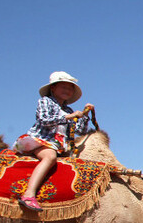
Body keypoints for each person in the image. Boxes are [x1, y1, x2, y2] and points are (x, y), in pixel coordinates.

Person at [15, 71, 94, 210]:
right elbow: (44, 120)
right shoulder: (45, 101)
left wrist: (85, 115)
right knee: (50, 157)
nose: (67, 90)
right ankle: (28, 194)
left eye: (70, 88)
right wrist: (69, 117)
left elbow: (80, 130)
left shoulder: (68, 109)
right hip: (41, 140)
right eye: (63, 87)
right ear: (53, 88)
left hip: (60, 146)